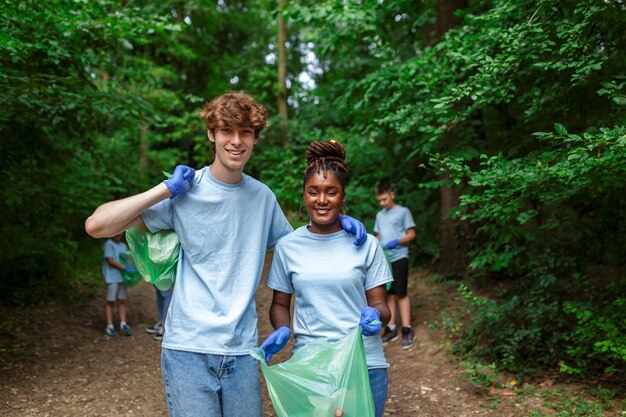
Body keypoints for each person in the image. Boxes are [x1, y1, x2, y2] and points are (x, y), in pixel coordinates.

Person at [84, 91, 366, 417]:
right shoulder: (184, 192)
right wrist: (165, 189)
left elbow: (302, 250)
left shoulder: (262, 197)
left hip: (243, 352)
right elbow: (97, 225)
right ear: (211, 134)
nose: (236, 141)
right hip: (187, 348)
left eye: (245, 132)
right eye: (226, 131)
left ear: (255, 138)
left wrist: (337, 224)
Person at [260, 139, 393, 417]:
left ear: (343, 196)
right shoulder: (288, 246)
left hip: (364, 362)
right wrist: (282, 328)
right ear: (304, 195)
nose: (322, 200)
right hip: (312, 364)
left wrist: (375, 316)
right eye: (314, 192)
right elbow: (280, 304)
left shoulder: (367, 245)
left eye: (331, 192)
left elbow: (382, 306)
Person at [374, 180, 416, 349]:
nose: (382, 203)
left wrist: (398, 241)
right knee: (388, 294)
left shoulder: (403, 212)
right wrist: (373, 247)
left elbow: (411, 234)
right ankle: (391, 328)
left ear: (392, 194)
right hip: (385, 259)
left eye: (384, 199)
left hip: (399, 256)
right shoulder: (379, 215)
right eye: (379, 201)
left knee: (401, 293)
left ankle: (407, 328)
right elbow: (378, 235)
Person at [102, 232, 135, 339]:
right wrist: (124, 268)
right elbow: (110, 261)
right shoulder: (108, 244)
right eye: (115, 232)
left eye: (120, 232)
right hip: (112, 278)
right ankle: (110, 326)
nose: (118, 234)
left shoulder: (123, 246)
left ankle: (123, 324)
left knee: (121, 301)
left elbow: (127, 259)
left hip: (122, 278)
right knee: (110, 302)